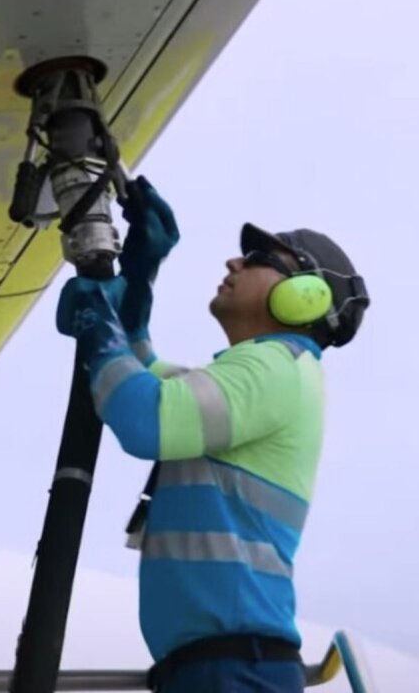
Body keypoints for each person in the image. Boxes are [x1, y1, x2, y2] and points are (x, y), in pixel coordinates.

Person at [56, 177, 370, 692]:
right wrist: (139, 274)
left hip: (234, 668)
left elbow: (145, 418)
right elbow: (137, 367)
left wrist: (96, 320)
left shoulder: (278, 368)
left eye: (258, 258)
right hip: (220, 666)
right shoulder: (266, 375)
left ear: (305, 296)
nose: (234, 263)